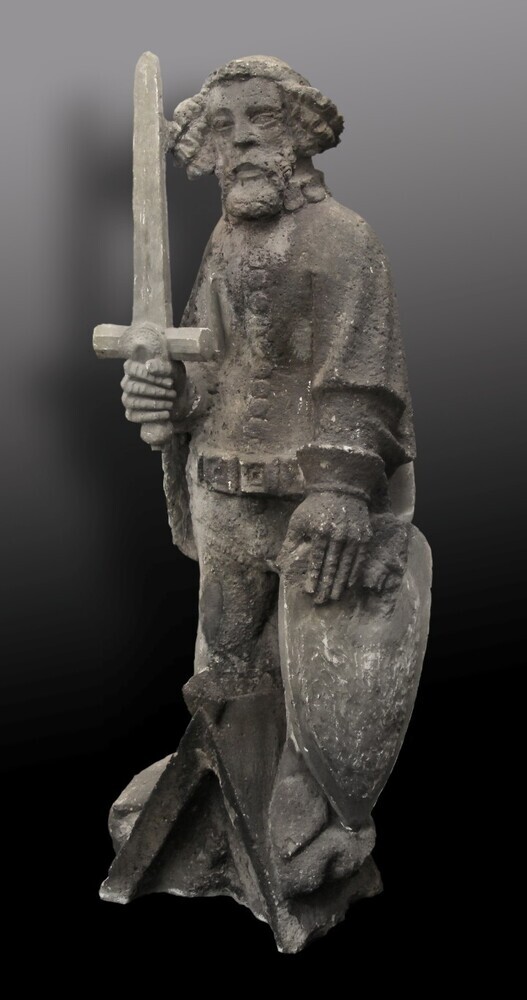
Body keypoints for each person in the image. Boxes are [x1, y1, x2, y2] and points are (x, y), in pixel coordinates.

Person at [116, 56, 420, 918]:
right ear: (206, 151)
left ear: (299, 135)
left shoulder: (343, 240)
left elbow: (363, 377)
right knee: (225, 649)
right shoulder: (224, 243)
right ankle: (218, 789)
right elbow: (208, 362)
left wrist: (339, 491)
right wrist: (167, 394)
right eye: (223, 127)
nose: (243, 141)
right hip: (227, 491)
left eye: (261, 121)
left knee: (316, 661)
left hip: (309, 503)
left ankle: (311, 805)